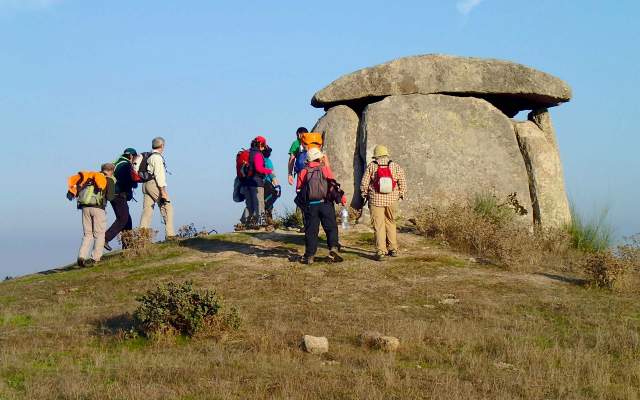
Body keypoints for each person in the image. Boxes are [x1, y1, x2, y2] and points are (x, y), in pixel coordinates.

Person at [296, 147, 346, 265]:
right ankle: (333, 248)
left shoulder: (303, 171)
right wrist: (341, 198)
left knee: (311, 231)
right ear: (319, 158)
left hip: (311, 206)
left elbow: (298, 189)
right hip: (326, 204)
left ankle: (309, 255)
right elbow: (333, 184)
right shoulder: (324, 169)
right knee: (331, 228)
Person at [360, 145, 407, 261]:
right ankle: (393, 248)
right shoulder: (395, 166)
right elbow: (403, 183)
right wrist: (400, 195)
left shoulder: (372, 166)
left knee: (379, 225)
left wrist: (364, 194)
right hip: (392, 200)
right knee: (391, 222)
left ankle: (381, 251)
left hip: (376, 200)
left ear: (376, 155)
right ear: (386, 154)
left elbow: (364, 183)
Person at [66, 163, 116, 267]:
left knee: (87, 234)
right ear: (111, 171)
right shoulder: (109, 180)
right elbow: (111, 197)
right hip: (98, 209)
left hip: (85, 208)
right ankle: (95, 259)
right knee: (99, 234)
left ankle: (81, 256)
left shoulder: (89, 178)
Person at [139, 137, 175, 240]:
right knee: (167, 207)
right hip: (154, 184)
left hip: (145, 184)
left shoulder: (148, 156)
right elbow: (159, 175)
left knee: (147, 211)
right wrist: (163, 191)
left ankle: (142, 238)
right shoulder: (157, 158)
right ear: (162, 145)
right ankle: (170, 235)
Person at [104, 148, 138, 251]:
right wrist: (134, 184)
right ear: (131, 156)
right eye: (135, 157)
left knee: (127, 220)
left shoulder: (117, 162)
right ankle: (105, 238)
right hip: (118, 194)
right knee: (123, 218)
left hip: (113, 194)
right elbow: (125, 180)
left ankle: (127, 246)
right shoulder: (125, 164)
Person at [241, 136, 273, 228]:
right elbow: (259, 168)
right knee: (260, 203)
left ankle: (243, 223)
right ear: (260, 145)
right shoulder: (258, 154)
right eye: (263, 145)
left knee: (249, 205)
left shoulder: (249, 152)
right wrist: (269, 171)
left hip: (247, 182)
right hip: (256, 183)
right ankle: (262, 223)